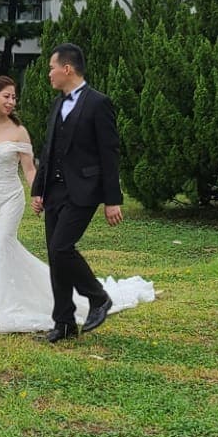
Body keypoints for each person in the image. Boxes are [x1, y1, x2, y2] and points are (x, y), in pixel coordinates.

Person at [0, 73, 153, 336]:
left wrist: (39, 194)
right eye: (6, 96)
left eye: (14, 97)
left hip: (9, 199)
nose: (11, 102)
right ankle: (11, 300)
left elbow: (30, 170)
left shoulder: (19, 131)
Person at [31, 43, 141, 343]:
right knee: (56, 256)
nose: (49, 74)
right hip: (54, 191)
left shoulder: (98, 103)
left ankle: (98, 297)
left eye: (52, 68)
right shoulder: (57, 104)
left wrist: (112, 199)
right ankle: (64, 323)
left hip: (84, 190)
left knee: (60, 248)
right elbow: (48, 150)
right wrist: (38, 190)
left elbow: (109, 153)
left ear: (67, 68)